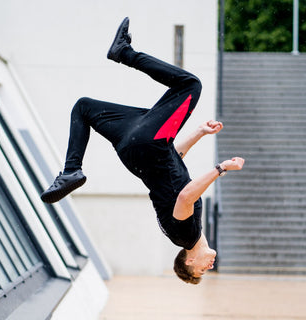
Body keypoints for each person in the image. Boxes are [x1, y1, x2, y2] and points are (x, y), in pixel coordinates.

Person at [40, 17, 245, 284]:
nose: (208, 266)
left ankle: (124, 53)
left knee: (190, 85)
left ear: (189, 260)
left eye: (201, 270)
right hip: (135, 149)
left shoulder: (186, 236)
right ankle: (71, 171)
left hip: (149, 144)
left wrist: (221, 168)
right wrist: (199, 133)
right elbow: (174, 159)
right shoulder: (186, 230)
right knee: (84, 108)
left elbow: (185, 197)